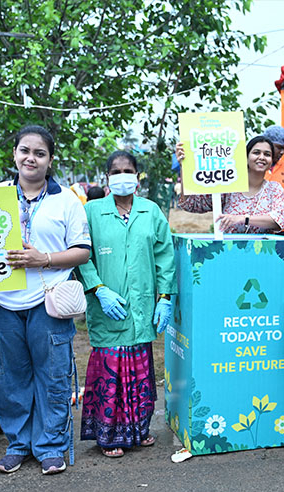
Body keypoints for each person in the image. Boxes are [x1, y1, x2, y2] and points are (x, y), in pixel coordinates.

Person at [0, 125, 91, 476]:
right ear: (14, 154)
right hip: (2, 304)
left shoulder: (66, 200)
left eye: (40, 153)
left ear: (50, 160)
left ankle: (50, 446)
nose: (31, 158)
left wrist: (46, 259)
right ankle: (18, 445)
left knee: (53, 375)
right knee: (10, 378)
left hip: (48, 301)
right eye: (25, 150)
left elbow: (83, 252)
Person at [77, 151, 175, 457]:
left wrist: (165, 298)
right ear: (107, 177)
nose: (123, 175)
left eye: (128, 170)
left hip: (143, 304)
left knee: (140, 368)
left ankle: (139, 429)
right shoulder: (91, 211)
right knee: (112, 372)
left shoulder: (151, 211)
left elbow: (165, 257)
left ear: (137, 176)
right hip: (106, 306)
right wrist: (98, 289)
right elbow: (82, 255)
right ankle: (109, 436)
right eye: (116, 170)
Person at [176, 136, 284, 233]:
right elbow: (190, 204)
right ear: (246, 157)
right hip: (227, 252)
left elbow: (278, 220)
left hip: (263, 253)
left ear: (271, 161)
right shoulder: (229, 185)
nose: (262, 157)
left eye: (267, 154)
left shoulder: (274, 189)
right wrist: (184, 166)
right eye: (256, 152)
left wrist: (242, 219)